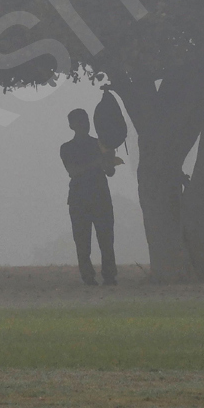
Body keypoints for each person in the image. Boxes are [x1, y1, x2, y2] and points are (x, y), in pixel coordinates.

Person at [59, 108, 121, 286]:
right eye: (79, 121)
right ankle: (88, 276)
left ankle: (109, 275)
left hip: (99, 196)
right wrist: (98, 162)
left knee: (106, 239)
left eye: (85, 120)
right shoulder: (67, 148)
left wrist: (109, 159)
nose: (83, 124)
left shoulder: (100, 144)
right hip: (80, 199)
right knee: (82, 241)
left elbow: (110, 172)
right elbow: (73, 171)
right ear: (71, 125)